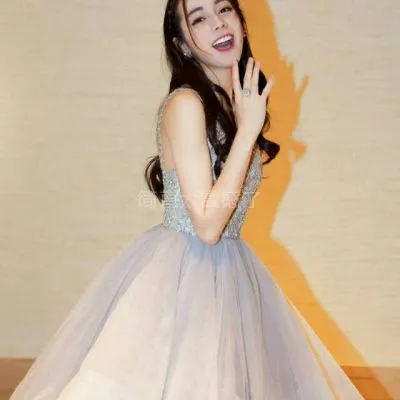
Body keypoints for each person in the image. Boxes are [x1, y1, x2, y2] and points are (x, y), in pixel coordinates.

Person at [10, 0, 365, 398]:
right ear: (181, 44)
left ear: (241, 21)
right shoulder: (186, 104)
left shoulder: (235, 104)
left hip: (230, 273)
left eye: (224, 9)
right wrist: (247, 130)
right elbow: (208, 225)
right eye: (199, 18)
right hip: (183, 278)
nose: (218, 23)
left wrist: (246, 123)